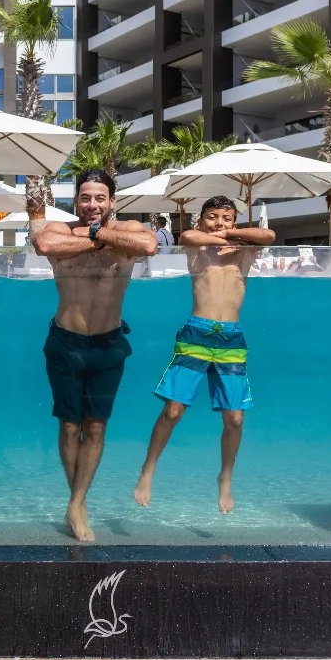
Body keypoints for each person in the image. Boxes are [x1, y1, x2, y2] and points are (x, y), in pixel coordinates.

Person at [32, 169, 158, 542]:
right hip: (65, 343)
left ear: (112, 201)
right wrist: (101, 239)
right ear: (76, 200)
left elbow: (148, 247)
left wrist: (97, 235)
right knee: (70, 425)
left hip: (109, 344)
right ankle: (79, 503)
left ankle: (76, 501)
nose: (92, 205)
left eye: (99, 198)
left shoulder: (132, 229)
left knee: (97, 426)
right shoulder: (58, 230)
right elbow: (45, 248)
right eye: (85, 197)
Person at [133, 195, 275, 514]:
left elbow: (268, 236)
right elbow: (187, 236)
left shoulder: (242, 250)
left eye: (226, 218)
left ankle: (225, 477)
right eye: (212, 217)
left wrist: (229, 235)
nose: (219, 223)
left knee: (235, 419)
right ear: (202, 220)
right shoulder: (197, 245)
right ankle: (148, 469)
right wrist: (221, 234)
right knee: (173, 411)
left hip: (231, 337)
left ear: (234, 222)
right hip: (197, 332)